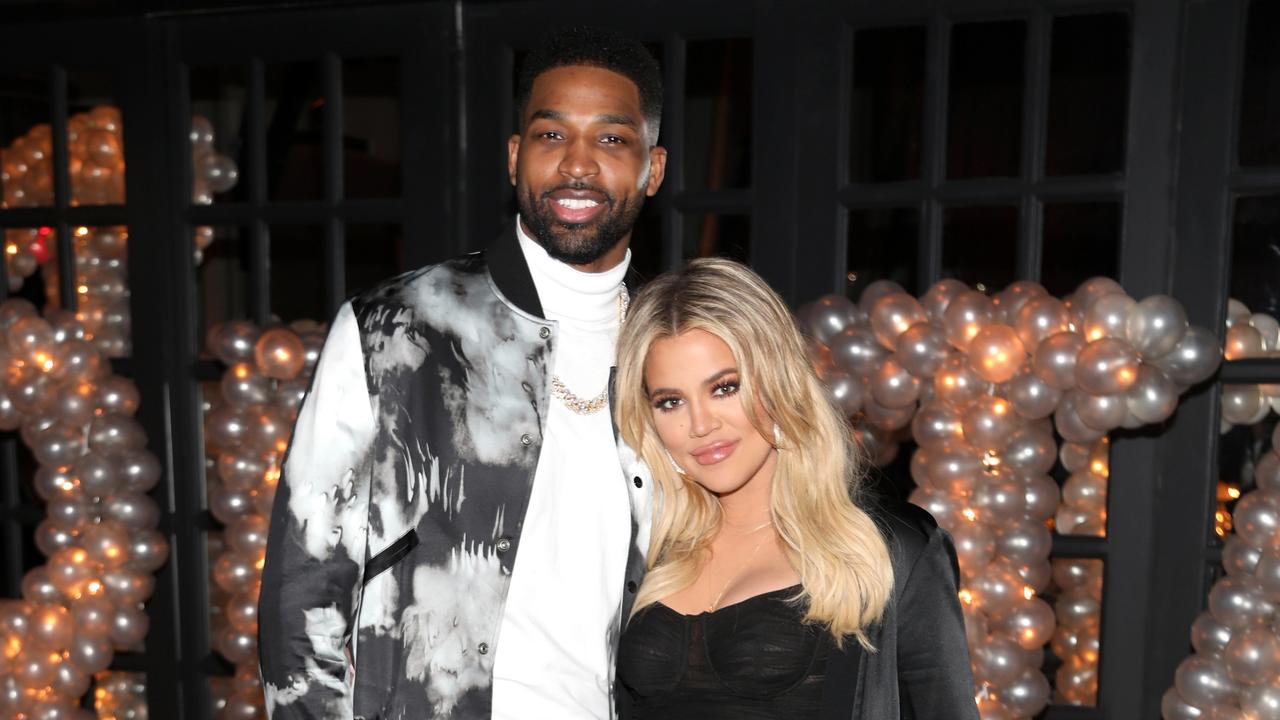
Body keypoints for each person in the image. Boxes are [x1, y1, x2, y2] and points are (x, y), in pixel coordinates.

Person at [257, 26, 667, 720]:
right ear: (514, 157)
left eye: (611, 139)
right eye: (549, 136)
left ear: (652, 169)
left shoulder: (675, 351)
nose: (576, 164)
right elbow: (305, 589)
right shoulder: (395, 329)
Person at [612, 258, 979, 719]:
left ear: (778, 382)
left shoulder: (891, 550)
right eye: (671, 402)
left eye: (725, 388)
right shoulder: (646, 547)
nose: (700, 425)